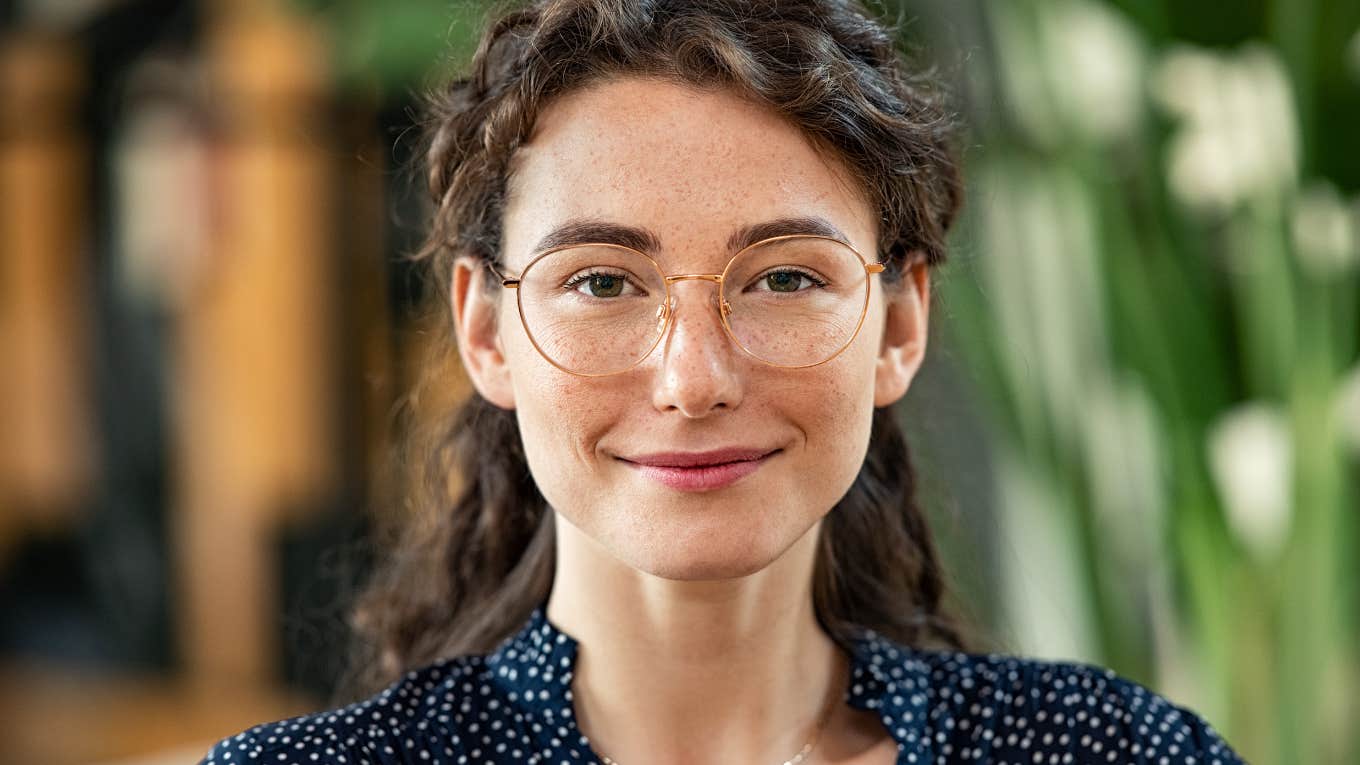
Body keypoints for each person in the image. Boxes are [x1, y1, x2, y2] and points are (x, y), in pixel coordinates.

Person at [201, 1, 1245, 763]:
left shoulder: (1117, 751)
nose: (693, 378)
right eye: (602, 282)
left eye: (785, 277)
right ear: (485, 330)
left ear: (899, 319)